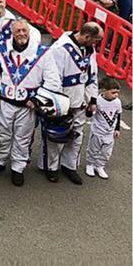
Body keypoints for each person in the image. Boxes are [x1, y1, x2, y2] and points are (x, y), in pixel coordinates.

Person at [0, 19, 59, 187]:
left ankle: (18, 168)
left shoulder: (43, 52)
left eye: (24, 30)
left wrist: (36, 99)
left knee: (22, 138)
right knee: (1, 134)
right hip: (4, 102)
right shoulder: (1, 48)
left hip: (28, 105)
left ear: (29, 32)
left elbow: (53, 81)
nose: (21, 34)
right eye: (17, 31)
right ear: (12, 32)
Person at [39, 23, 102, 185]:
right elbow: (54, 79)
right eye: (95, 40)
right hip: (64, 103)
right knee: (55, 137)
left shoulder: (89, 49)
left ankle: (69, 166)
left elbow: (92, 75)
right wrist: (60, 106)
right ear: (87, 37)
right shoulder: (60, 49)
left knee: (76, 137)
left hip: (81, 102)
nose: (96, 44)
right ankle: (50, 167)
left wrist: (92, 99)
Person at [85, 77, 121, 179]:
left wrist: (117, 129)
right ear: (104, 91)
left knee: (106, 152)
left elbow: (118, 115)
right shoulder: (98, 100)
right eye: (113, 92)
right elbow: (89, 114)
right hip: (97, 131)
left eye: (117, 92)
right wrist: (90, 109)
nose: (116, 95)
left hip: (110, 133)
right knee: (93, 149)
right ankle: (90, 164)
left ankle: (100, 166)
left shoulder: (117, 102)